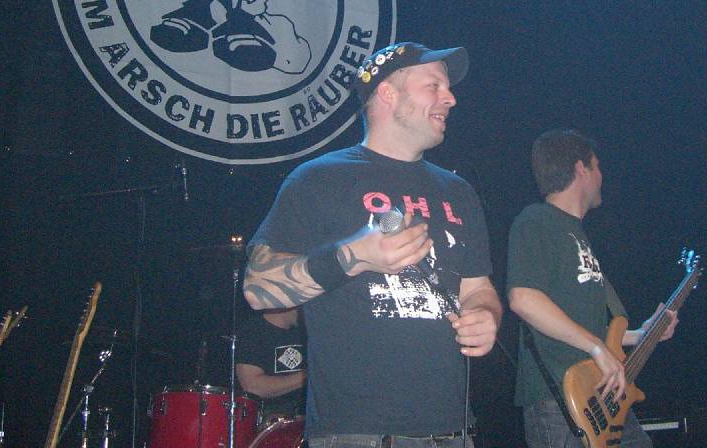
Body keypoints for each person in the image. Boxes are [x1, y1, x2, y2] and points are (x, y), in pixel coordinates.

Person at [243, 42, 501, 448]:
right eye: (433, 85)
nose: (450, 98)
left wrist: (485, 315)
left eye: (448, 88)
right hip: (358, 433)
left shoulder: (458, 191)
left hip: (452, 432)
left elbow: (478, 289)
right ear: (387, 93)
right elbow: (257, 288)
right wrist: (355, 256)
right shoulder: (318, 179)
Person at [507, 129, 678, 448]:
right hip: (560, 401)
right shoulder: (536, 220)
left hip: (602, 396)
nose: (602, 176)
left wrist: (641, 334)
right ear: (581, 169)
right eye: (597, 166)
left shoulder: (578, 235)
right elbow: (524, 298)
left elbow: (588, 327)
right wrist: (597, 348)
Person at [235, 306, 306, 423]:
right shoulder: (254, 331)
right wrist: (308, 375)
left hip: (307, 418)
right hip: (268, 419)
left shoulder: (306, 331)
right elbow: (252, 387)